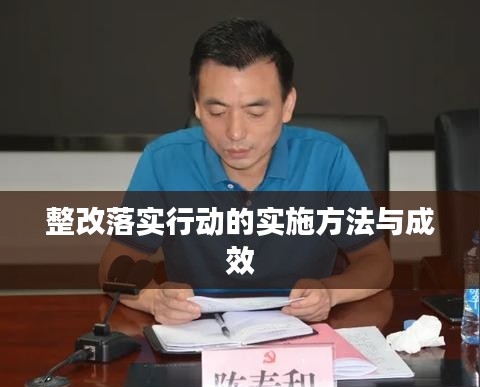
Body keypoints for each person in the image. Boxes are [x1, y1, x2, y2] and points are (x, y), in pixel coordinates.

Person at [99, 18, 393, 325]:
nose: (235, 132)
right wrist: (153, 300)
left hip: (303, 334)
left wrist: (329, 293)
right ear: (197, 106)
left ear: (287, 104)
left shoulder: (327, 158)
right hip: (198, 335)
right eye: (217, 111)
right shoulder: (165, 160)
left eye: (255, 112)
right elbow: (115, 264)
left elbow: (376, 262)